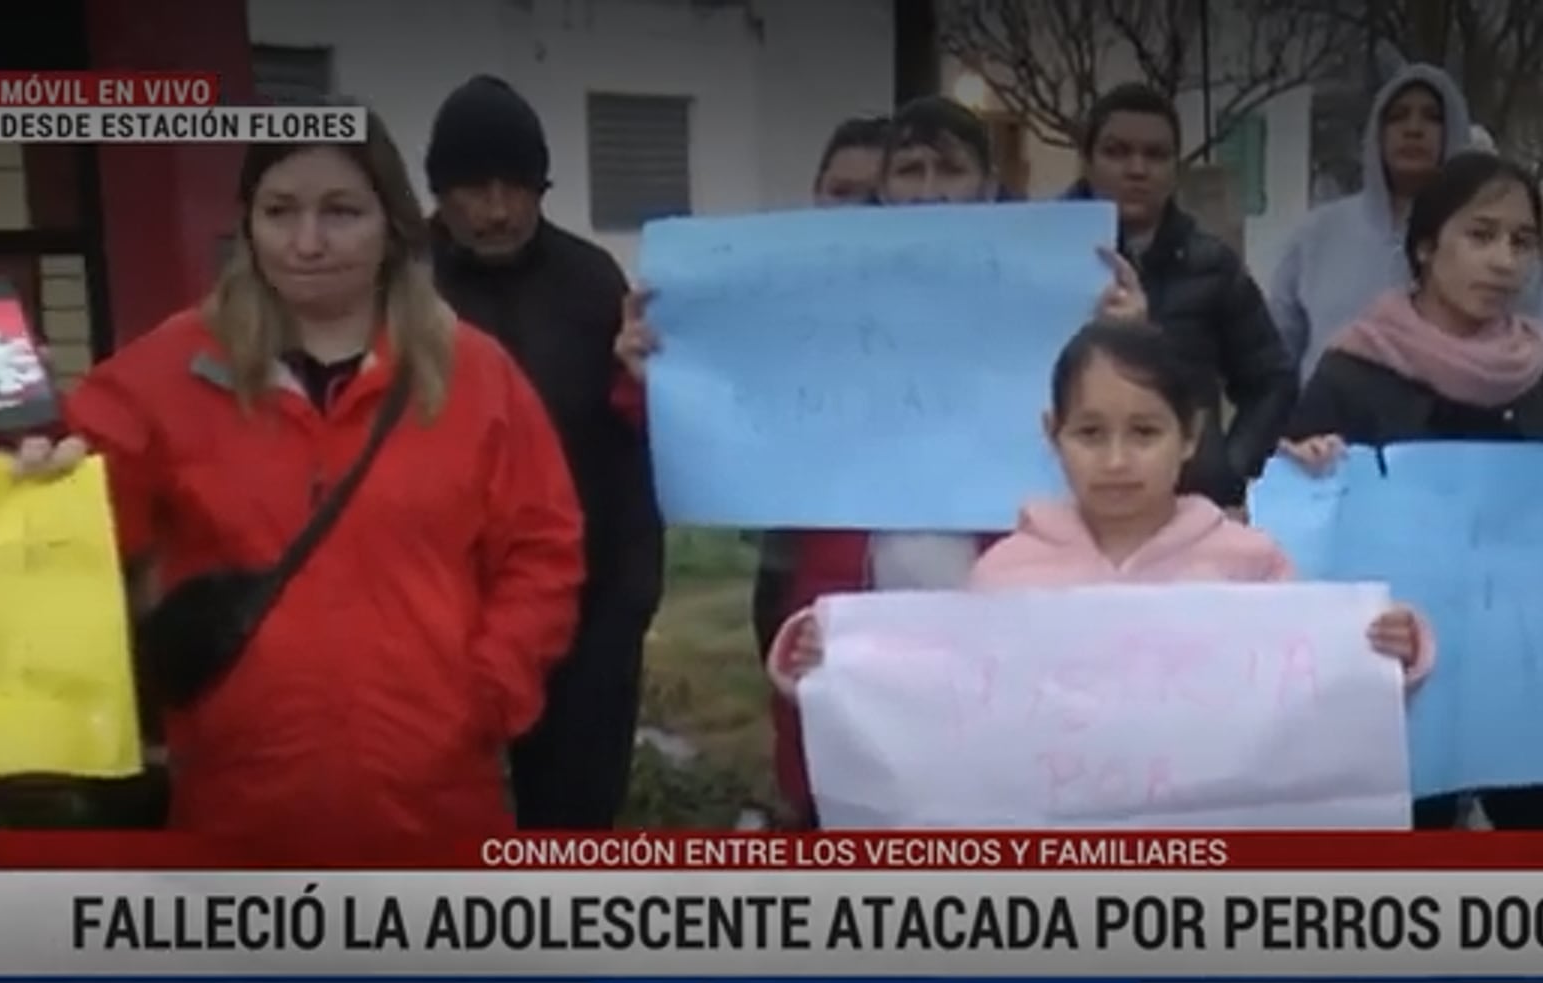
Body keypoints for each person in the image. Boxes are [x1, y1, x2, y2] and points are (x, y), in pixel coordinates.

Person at [6, 110, 586, 853]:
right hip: (237, 804)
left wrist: (486, 691)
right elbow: (73, 536)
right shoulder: (162, 374)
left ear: (394, 225)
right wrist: (29, 458)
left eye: (340, 211)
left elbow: (544, 548)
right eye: (279, 211)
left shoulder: (475, 374)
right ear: (247, 224)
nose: (307, 242)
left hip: (435, 805)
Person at [614, 96, 1147, 828]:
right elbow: (742, 409)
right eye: (911, 168)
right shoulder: (820, 299)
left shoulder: (1061, 291)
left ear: (989, 185)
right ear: (883, 188)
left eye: (950, 168)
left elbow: (1130, 439)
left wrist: (1129, 345)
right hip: (852, 609)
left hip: (1004, 605)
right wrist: (656, 378)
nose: (929, 188)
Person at [765, 322, 1434, 818]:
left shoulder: (1248, 562)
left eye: (1144, 433)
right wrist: (832, 665)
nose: (1116, 460)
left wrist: (1386, 658)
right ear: (1051, 433)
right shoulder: (1003, 572)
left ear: (1190, 435)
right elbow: (932, 706)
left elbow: (1313, 703)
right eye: (1090, 433)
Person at [1278, 151, 1543, 829]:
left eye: (1521, 241)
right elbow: (1300, 530)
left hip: (1523, 683)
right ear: (1425, 248)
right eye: (1479, 236)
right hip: (1393, 684)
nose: (1504, 260)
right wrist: (1303, 465)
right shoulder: (1352, 372)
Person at [424, 75, 663, 830]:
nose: (496, 210)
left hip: (589, 601)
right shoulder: (398, 284)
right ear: (438, 192)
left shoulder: (591, 279)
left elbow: (633, 436)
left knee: (574, 816)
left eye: (516, 187)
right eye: (474, 189)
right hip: (437, 603)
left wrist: (630, 596)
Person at [1064, 82, 1296, 514]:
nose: (1137, 168)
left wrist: (1229, 469)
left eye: (1155, 155)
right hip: (1058, 498)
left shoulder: (1212, 264)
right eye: (1117, 152)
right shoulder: (1039, 253)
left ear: (1175, 167)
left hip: (1185, 506)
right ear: (1088, 161)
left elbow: (1271, 380)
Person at [1268, 63, 1543, 381]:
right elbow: (1276, 358)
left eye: (1432, 117)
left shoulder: (1503, 243)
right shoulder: (1318, 236)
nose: (1413, 129)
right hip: (1334, 423)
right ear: (1376, 133)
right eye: (1398, 116)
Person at [750, 114, 892, 659]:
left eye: (872, 197)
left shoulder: (940, 307)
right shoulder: (775, 293)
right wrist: (653, 374)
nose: (853, 211)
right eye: (841, 192)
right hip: (791, 552)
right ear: (816, 194)